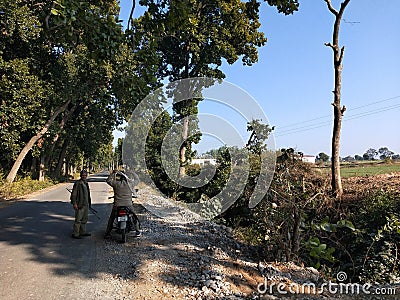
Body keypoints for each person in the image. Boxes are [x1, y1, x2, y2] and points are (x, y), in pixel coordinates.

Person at [104, 169, 140, 238]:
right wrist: (133, 172)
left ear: (120, 178)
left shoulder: (116, 184)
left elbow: (108, 180)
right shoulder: (131, 184)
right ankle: (137, 231)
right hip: (128, 205)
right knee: (134, 217)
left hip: (117, 205)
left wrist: (113, 173)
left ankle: (107, 232)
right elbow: (137, 180)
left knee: (112, 218)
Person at [70, 169, 92, 239]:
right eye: (83, 175)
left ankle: (82, 232)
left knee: (84, 219)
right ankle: (75, 234)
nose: (84, 176)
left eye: (85, 175)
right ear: (80, 175)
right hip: (80, 204)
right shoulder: (78, 183)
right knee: (78, 220)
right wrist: (74, 203)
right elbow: (74, 194)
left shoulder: (86, 183)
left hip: (86, 204)